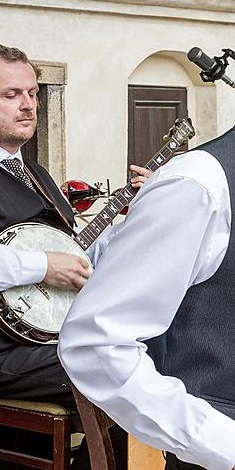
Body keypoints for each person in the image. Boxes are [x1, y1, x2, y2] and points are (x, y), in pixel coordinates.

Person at [0, 44, 145, 467]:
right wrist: (41, 266)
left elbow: (80, 255)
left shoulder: (36, 175)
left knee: (153, 344)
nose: (28, 105)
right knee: (133, 363)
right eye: (12, 94)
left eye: (33, 94)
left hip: (51, 337)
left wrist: (140, 218)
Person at [59, 126, 235, 470]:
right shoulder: (198, 184)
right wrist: (223, 442)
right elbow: (95, 341)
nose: (27, 105)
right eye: (12, 94)